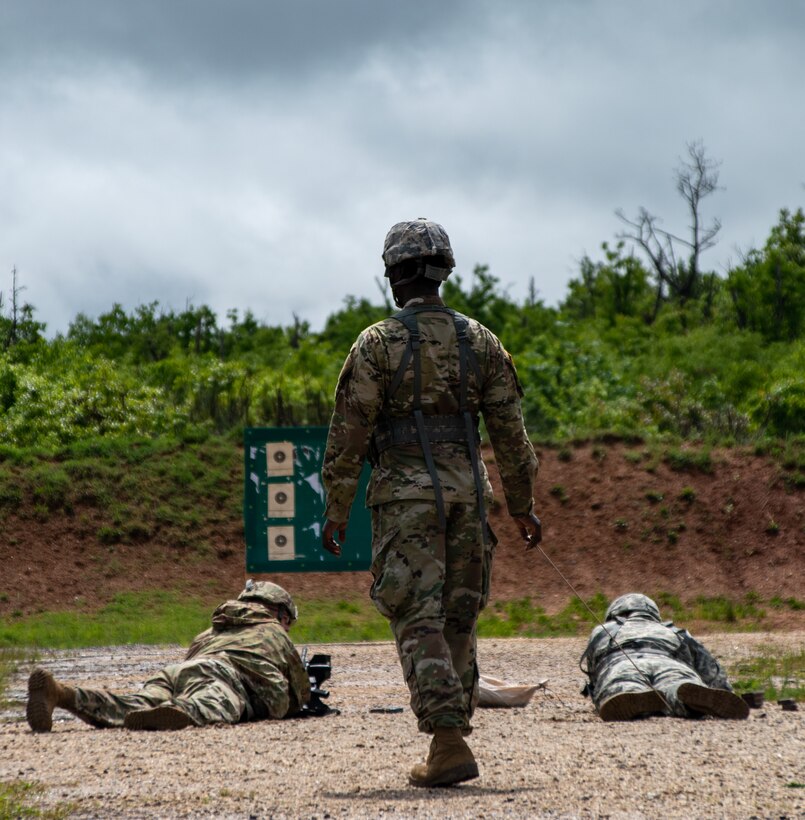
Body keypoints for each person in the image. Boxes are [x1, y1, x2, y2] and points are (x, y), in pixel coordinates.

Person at [321, 218, 541, 787]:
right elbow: (513, 438)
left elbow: (347, 436)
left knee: (417, 616)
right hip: (470, 495)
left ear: (394, 275)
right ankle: (451, 740)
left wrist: (336, 508)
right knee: (459, 615)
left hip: (404, 502)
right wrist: (521, 505)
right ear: (444, 270)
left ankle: (447, 741)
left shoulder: (377, 344)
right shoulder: (483, 342)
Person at [26, 581, 311, 732]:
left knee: (132, 703)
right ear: (280, 613)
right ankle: (180, 712)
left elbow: (193, 663)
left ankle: (61, 694)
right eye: (288, 621)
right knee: (213, 702)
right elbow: (298, 694)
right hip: (222, 676)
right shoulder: (275, 631)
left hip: (177, 671)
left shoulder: (209, 631)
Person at [580, 593, 749, 721]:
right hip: (672, 665)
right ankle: (681, 696)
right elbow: (710, 670)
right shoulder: (675, 631)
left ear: (615, 613)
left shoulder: (603, 630)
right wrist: (725, 690)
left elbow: (595, 673)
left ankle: (634, 694)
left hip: (623, 665)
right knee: (679, 685)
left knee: (621, 686)